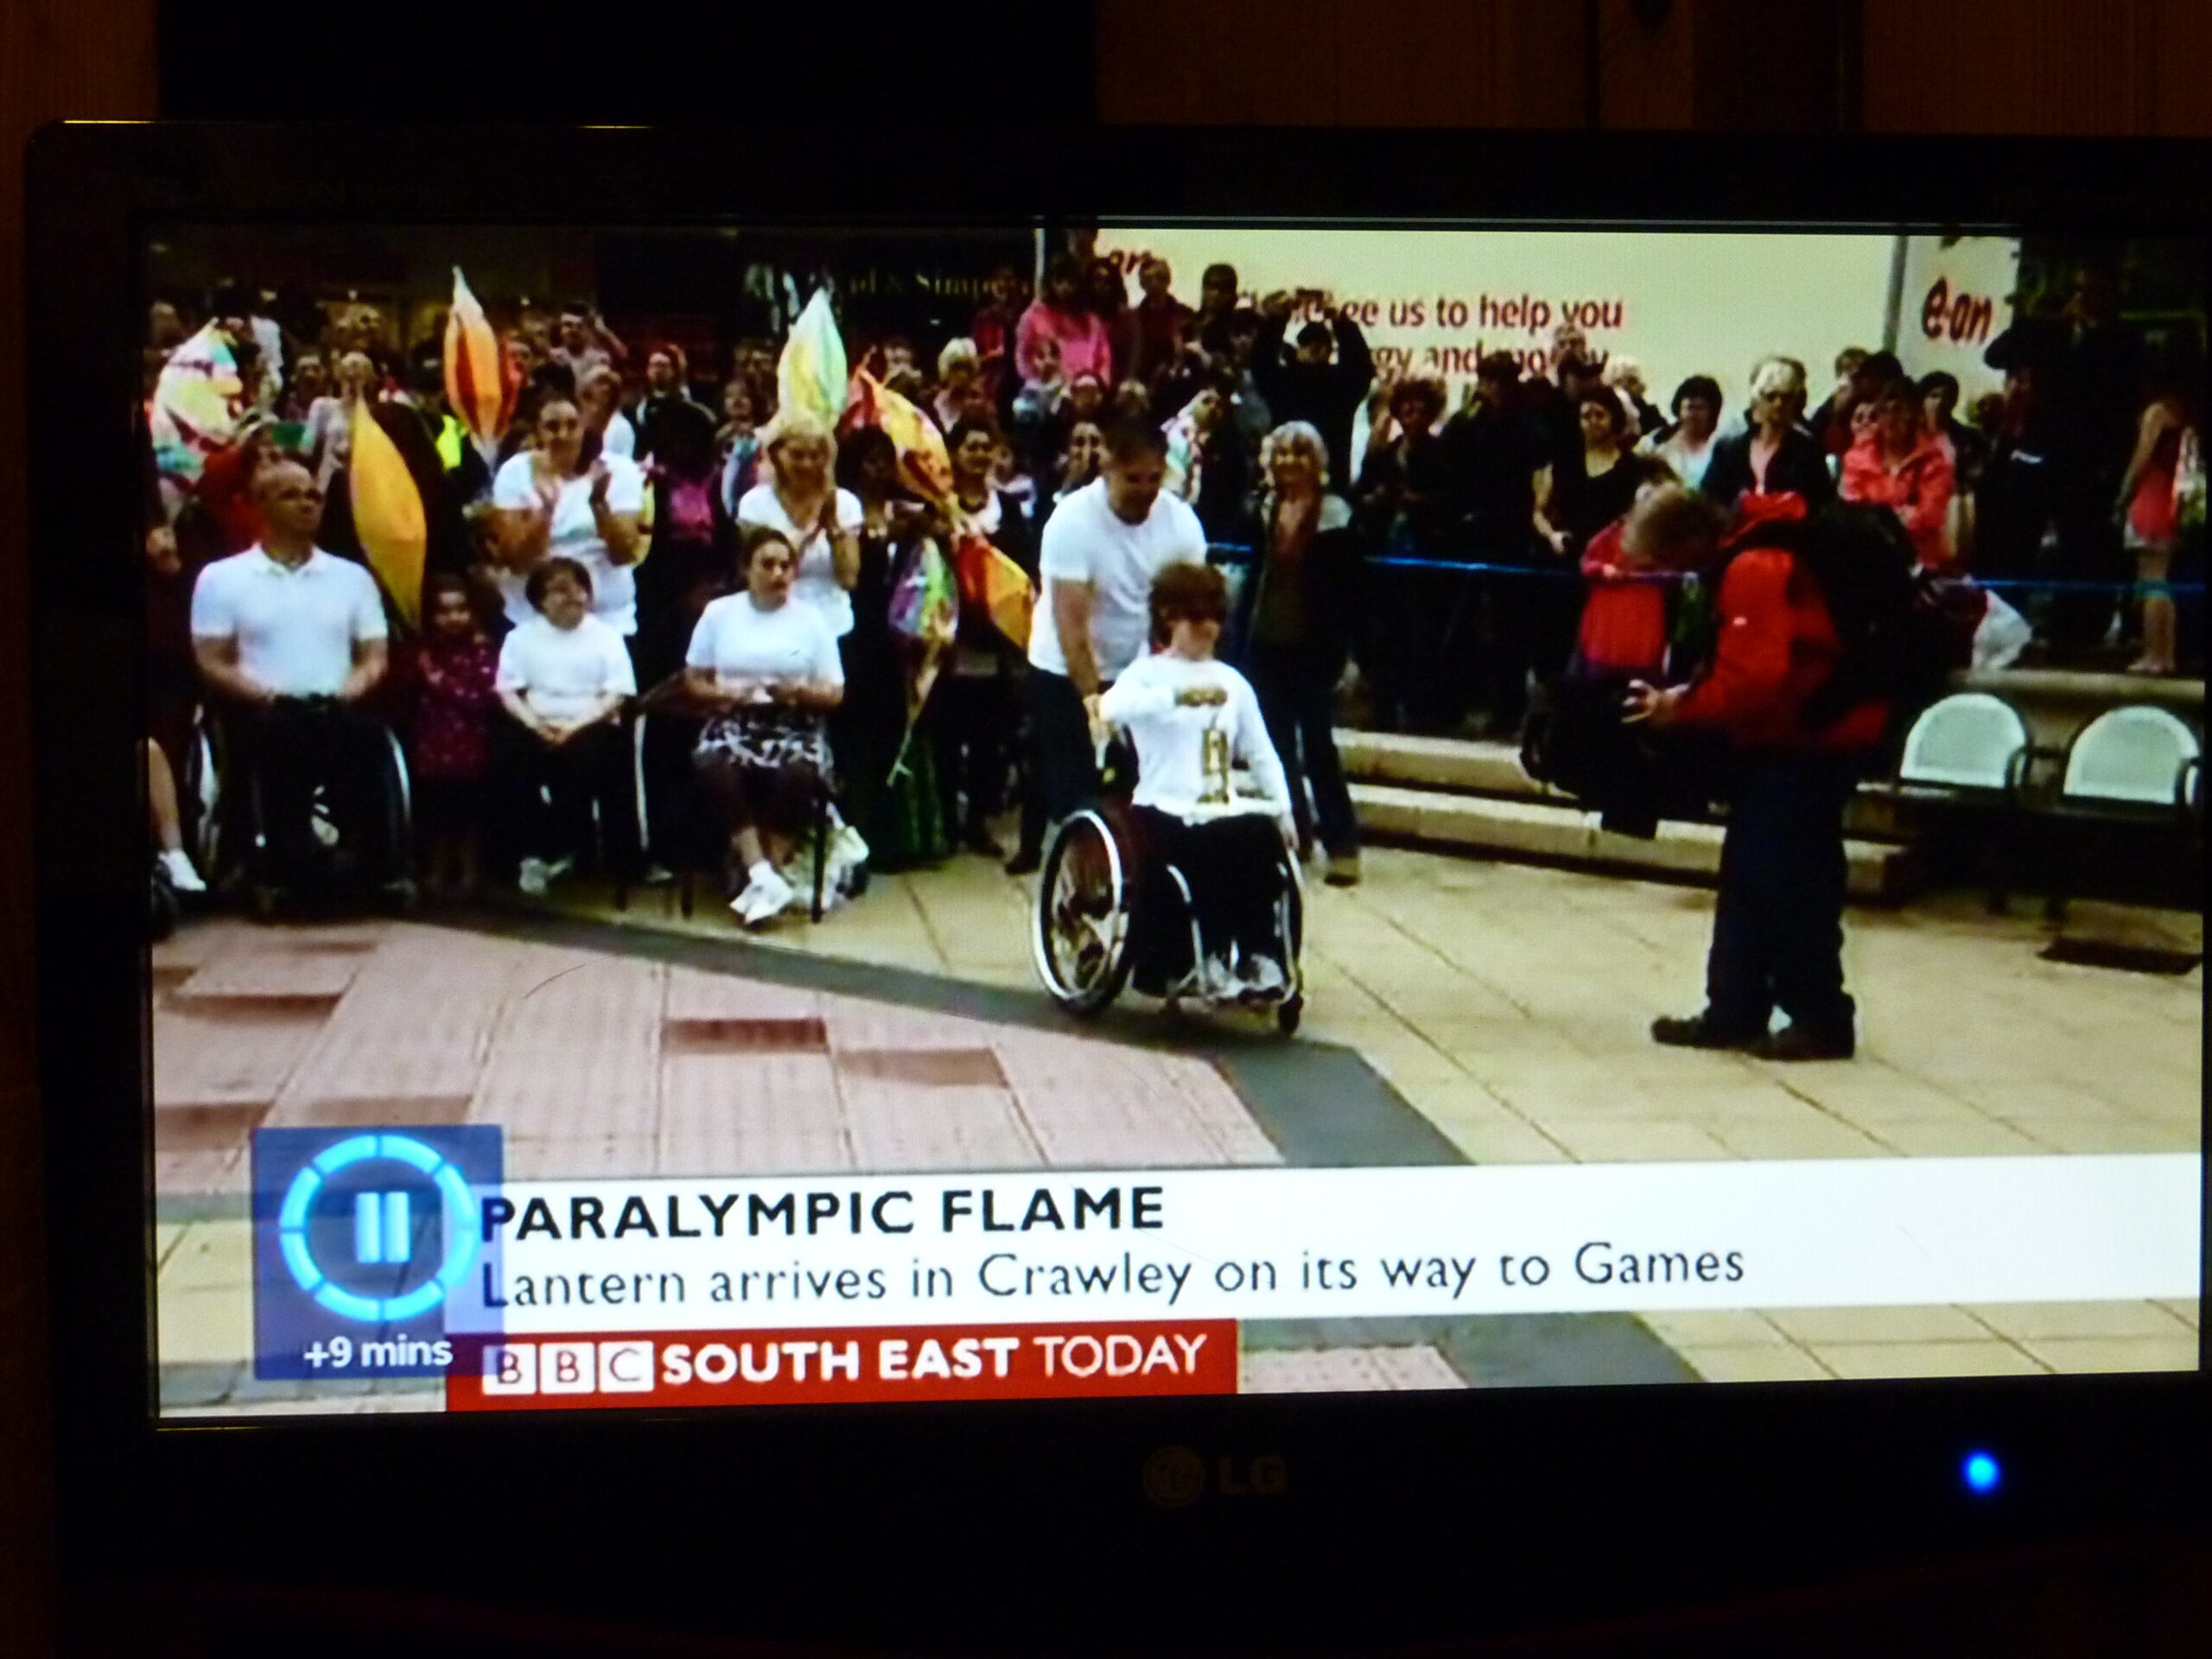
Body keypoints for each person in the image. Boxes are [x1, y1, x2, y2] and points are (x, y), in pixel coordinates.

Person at [1626, 502, 1892, 1062]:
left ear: (1693, 541)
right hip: (1794, 737)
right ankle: (1735, 1009)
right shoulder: (1757, 555)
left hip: (1812, 740)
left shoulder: (1754, 568)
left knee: (1790, 881)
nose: (1674, 575)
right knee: (1752, 876)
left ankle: (1819, 1017)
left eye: (1669, 560)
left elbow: (1757, 676)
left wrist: (1684, 709)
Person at [189, 459, 394, 901]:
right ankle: (283, 868)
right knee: (279, 742)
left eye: (313, 495)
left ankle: (375, 864)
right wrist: (267, 695)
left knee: (370, 741)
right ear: (261, 505)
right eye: (292, 495)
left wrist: (346, 692)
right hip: (262, 711)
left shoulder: (351, 578)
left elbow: (374, 656)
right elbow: (211, 659)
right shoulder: (222, 579)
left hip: (336, 706)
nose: (307, 504)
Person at [1099, 562, 1295, 1000]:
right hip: (1162, 805)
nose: (1209, 628)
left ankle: (1260, 955)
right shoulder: (1146, 674)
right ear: (1170, 618)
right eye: (1197, 618)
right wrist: (1173, 696)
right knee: (1208, 847)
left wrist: (1283, 808)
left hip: (1216, 803)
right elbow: (1110, 710)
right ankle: (1203, 957)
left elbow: (1261, 752)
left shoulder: (1233, 683)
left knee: (1259, 837)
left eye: (1215, 618)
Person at [1026, 420, 1208, 822]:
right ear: (1107, 467)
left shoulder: (1182, 525)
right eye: (1133, 479)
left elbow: (1187, 612)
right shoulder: (1071, 522)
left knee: (1141, 795)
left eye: (1154, 479)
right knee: (1081, 803)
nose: (1145, 490)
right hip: (1065, 670)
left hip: (1137, 665)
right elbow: (1072, 626)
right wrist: (1095, 702)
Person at [684, 526, 846, 925]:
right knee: (713, 764)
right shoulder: (720, 614)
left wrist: (798, 693)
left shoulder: (811, 620)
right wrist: (724, 696)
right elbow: (693, 678)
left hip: (794, 722)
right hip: (735, 717)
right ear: (746, 569)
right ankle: (760, 871)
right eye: (768, 565)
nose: (778, 574)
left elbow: (835, 693)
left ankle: (763, 878)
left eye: (786, 566)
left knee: (799, 774)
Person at [1235, 422, 1363, 885]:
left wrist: (1349, 653)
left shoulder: (1337, 516)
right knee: (1276, 745)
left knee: (1319, 745)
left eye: (1299, 454)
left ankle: (1342, 842)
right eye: (1282, 453)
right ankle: (1297, 833)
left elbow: (1351, 592)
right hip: (1267, 640)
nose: (1289, 463)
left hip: (1315, 645)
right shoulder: (1264, 510)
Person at [493, 557, 639, 896]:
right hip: (536, 722)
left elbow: (616, 694)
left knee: (584, 763)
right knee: (511, 762)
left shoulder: (607, 638)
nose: (571, 596)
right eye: (559, 590)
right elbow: (508, 691)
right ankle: (531, 855)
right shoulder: (521, 638)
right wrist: (536, 725)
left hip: (590, 724)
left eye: (577, 588)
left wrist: (573, 727)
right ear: (540, 600)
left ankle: (568, 850)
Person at [932, 417, 1039, 858]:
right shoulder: (938, 509)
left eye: (985, 448)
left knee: (989, 738)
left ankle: (977, 821)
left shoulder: (1008, 512)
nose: (978, 456)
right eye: (970, 447)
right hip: (946, 636)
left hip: (994, 642)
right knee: (944, 736)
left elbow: (1022, 572)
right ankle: (943, 824)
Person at [490, 394, 647, 639]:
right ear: (538, 432)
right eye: (553, 427)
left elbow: (625, 554)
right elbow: (517, 561)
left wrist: (599, 505)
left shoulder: (619, 470)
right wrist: (545, 512)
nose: (563, 435)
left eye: (572, 425)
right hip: (534, 616)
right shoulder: (514, 473)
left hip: (607, 618)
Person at [1533, 385, 1648, 683]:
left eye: (1600, 415)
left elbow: (1637, 518)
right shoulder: (1562, 464)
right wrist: (1552, 537)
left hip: (1609, 570)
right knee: (1556, 646)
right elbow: (1539, 512)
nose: (1592, 422)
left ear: (1615, 420)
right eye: (1586, 415)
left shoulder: (1632, 469)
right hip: (1565, 564)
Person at [737, 408, 865, 655]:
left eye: (815, 456)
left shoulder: (844, 503)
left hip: (833, 629)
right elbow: (756, 575)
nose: (807, 464)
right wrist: (811, 534)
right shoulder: (754, 504)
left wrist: (834, 530)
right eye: (797, 455)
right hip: (773, 627)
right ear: (776, 454)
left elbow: (848, 578)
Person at [410, 570, 500, 899]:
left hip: (471, 745)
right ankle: (435, 869)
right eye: (444, 611)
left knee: (469, 812)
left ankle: (469, 872)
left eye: (460, 609)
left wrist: (439, 682)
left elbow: (483, 697)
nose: (453, 618)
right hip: (433, 744)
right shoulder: (427, 651)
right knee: (436, 811)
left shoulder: (481, 651)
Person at [2114, 348, 2199, 676]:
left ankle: (2152, 653)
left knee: (2150, 582)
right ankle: (2167, 653)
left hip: (2150, 497)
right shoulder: (2188, 416)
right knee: (2164, 582)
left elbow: (2141, 460)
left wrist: (2123, 494)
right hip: (2172, 501)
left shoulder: (2157, 414)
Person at [1250, 293, 1376, 495]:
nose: (1315, 349)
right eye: (1308, 344)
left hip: (1330, 488)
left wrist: (1340, 321)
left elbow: (1361, 366)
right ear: (1298, 349)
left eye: (1322, 344)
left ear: (1330, 351)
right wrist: (1277, 319)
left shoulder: (1340, 384)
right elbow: (1260, 363)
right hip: (1285, 485)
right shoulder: (1283, 382)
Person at [1840, 378, 1956, 569]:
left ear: (1915, 414)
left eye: (1900, 410)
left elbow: (1930, 519)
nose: (1892, 419)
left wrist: (1879, 515)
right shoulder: (1857, 457)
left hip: (1918, 563)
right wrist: (1902, 514)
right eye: (1885, 410)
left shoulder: (1935, 460)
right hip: (1866, 559)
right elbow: (1853, 517)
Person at [1700, 356, 1836, 513]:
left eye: (1786, 398)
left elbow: (1821, 506)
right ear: (1758, 399)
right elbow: (1708, 502)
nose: (1779, 404)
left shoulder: (1808, 451)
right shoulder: (1728, 451)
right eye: (1771, 396)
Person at [1016, 254, 1114, 390]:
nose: (1065, 287)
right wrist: (1038, 375)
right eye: (1059, 281)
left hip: (1084, 390)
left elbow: (1103, 358)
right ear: (1050, 283)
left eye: (1071, 282)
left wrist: (1099, 382)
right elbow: (1023, 355)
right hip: (1044, 388)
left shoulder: (1091, 320)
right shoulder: (1033, 316)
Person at [1116, 257, 1192, 394]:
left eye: (1160, 277)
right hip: (1140, 385)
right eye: (1148, 279)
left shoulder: (1183, 315)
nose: (1155, 283)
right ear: (1142, 283)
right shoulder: (1133, 318)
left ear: (1168, 280)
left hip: (1175, 385)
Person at [1645, 375, 1723, 488]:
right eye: (1690, 407)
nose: (1694, 415)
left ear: (1712, 412)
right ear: (1679, 409)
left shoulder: (1721, 447)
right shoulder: (1657, 442)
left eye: (1701, 408)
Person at [578, 363, 638, 462]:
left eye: (609, 384)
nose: (606, 388)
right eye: (600, 383)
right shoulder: (578, 422)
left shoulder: (620, 426)